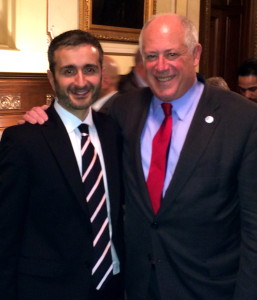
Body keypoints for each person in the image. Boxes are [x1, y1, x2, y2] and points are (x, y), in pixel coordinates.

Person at [21, 14, 257, 300]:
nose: (161, 66)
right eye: (151, 56)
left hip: (208, 288)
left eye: (172, 54)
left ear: (196, 55)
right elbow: (76, 126)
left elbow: (253, 227)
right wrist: (44, 118)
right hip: (137, 285)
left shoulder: (243, 119)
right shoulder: (124, 109)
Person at [0, 30, 124, 300]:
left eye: (89, 69)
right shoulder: (23, 141)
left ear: (101, 74)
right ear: (51, 78)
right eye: (69, 71)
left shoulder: (113, 131)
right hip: (48, 291)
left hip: (112, 287)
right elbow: (5, 234)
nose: (81, 81)